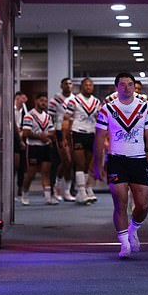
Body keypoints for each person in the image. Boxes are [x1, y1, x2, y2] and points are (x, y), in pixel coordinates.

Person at [94, 72, 148, 258]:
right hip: (117, 160)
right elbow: (99, 139)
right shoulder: (107, 109)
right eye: (122, 84)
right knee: (120, 204)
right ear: (116, 87)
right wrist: (97, 164)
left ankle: (133, 229)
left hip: (139, 160)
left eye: (130, 84)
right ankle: (123, 244)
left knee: (143, 206)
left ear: (134, 86)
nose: (127, 88)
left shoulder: (145, 108)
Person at [63, 77, 101, 205]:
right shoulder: (74, 101)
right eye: (86, 85)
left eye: (91, 85)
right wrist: (64, 137)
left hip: (91, 133)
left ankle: (82, 191)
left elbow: (100, 120)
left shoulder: (96, 102)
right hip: (78, 132)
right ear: (81, 87)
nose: (88, 87)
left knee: (87, 165)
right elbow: (66, 119)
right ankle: (81, 191)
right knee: (79, 163)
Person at [20, 93, 57, 206]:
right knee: (31, 173)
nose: (43, 103)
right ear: (36, 101)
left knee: (46, 172)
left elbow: (52, 131)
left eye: (45, 101)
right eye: (41, 100)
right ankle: (24, 194)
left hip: (45, 147)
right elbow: (26, 132)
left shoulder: (48, 116)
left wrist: (47, 137)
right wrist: (41, 137)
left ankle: (47, 197)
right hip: (33, 147)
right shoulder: (29, 115)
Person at [48, 77, 75, 202]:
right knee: (65, 161)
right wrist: (52, 131)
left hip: (73, 131)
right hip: (59, 131)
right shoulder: (55, 100)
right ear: (61, 86)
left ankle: (67, 191)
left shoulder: (75, 99)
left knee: (70, 163)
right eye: (66, 84)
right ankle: (57, 187)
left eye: (70, 84)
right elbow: (50, 117)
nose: (68, 86)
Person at [13, 91, 28, 198]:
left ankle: (20, 187)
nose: (25, 100)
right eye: (23, 98)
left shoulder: (24, 109)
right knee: (15, 164)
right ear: (17, 98)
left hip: (23, 137)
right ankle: (12, 187)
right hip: (14, 139)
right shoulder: (11, 109)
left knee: (22, 165)